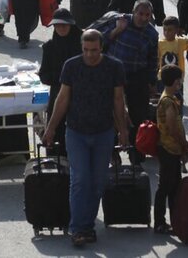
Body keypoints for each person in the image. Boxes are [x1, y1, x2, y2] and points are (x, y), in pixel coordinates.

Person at [42, 29, 129, 248]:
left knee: (98, 182)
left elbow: (118, 100)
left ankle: (86, 224)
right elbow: (62, 99)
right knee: (80, 180)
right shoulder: (71, 66)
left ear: (102, 48)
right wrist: (51, 128)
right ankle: (79, 229)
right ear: (82, 48)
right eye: (86, 50)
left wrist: (123, 130)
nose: (90, 55)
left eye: (95, 50)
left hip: (103, 132)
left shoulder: (114, 67)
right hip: (76, 132)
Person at [102, 0, 159, 161]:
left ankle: (137, 152)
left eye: (147, 15)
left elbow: (153, 60)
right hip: (112, 73)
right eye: (140, 14)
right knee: (111, 113)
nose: (143, 18)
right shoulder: (119, 21)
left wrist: (152, 82)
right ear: (133, 12)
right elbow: (100, 42)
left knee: (138, 115)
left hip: (136, 75)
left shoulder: (152, 34)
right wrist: (117, 30)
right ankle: (112, 152)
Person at [154, 64, 188, 235]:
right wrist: (184, 144)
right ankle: (160, 222)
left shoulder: (167, 98)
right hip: (169, 148)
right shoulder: (169, 101)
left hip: (170, 148)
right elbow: (172, 127)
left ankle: (173, 220)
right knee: (166, 186)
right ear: (176, 82)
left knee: (173, 187)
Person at [38, 8, 82, 152]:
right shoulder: (49, 47)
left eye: (65, 25)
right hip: (58, 94)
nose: (61, 28)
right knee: (56, 133)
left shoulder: (83, 45)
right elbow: (44, 74)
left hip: (81, 94)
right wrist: (62, 79)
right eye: (58, 25)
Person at [156, 15, 188, 98]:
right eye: (164, 30)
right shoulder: (160, 43)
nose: (166, 32)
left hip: (178, 78)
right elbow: (157, 60)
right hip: (162, 78)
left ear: (176, 30)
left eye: (169, 30)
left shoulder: (180, 42)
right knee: (163, 100)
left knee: (177, 101)